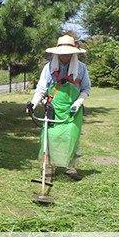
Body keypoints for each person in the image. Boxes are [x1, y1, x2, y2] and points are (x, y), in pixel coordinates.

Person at [26, 34, 91, 181]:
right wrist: (33, 103)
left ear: (73, 53)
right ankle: (49, 167)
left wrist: (77, 103)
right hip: (53, 109)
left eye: (68, 54)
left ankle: (70, 166)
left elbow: (86, 89)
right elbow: (41, 89)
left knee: (71, 136)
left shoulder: (81, 68)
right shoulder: (48, 68)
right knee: (49, 136)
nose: (65, 57)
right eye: (62, 54)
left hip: (72, 109)